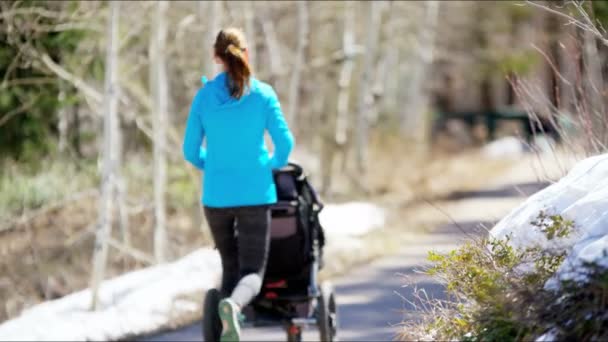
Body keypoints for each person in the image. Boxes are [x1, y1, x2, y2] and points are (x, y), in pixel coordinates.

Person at [182, 27, 294, 342]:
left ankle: (228, 328)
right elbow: (285, 143)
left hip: (216, 198)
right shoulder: (263, 94)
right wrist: (267, 165)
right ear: (246, 53)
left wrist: (213, 165)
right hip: (255, 194)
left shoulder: (204, 97)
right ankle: (233, 304)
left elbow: (190, 151)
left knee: (229, 266)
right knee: (252, 272)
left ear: (216, 57)